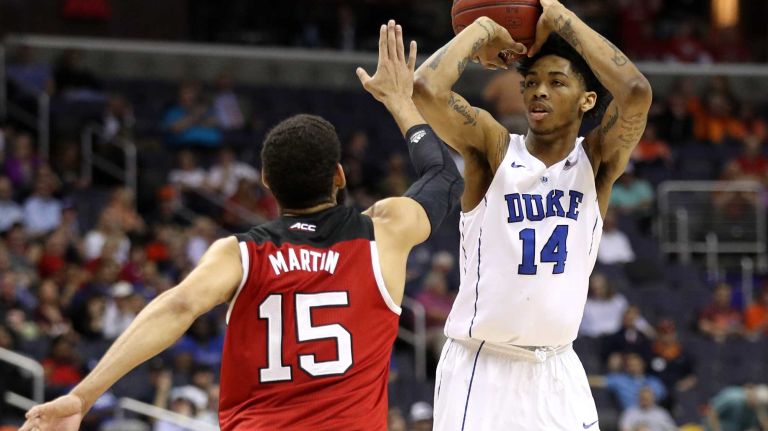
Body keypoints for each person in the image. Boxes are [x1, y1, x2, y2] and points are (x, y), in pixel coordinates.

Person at [21, 24, 462, 431]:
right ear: (340, 176)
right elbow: (443, 177)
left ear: (266, 184)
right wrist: (400, 101)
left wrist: (82, 397)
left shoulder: (240, 254)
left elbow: (176, 308)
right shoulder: (383, 233)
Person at [412, 0, 652, 427]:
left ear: (587, 99)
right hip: (483, 365)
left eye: (557, 82)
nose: (539, 90)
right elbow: (426, 88)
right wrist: (483, 27)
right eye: (532, 82)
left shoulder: (595, 163)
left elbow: (635, 92)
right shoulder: (495, 149)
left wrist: (559, 18)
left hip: (559, 368)